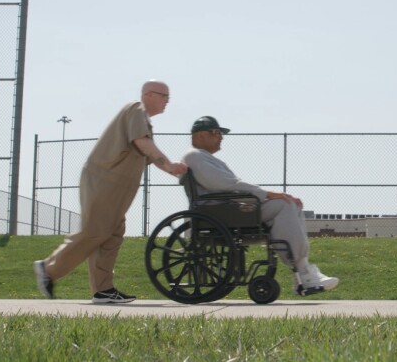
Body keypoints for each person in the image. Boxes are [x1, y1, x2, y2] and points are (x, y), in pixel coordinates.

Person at [34, 80, 188, 304]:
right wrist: (171, 165)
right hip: (105, 180)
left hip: (117, 186)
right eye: (164, 96)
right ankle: (49, 269)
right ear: (148, 94)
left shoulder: (143, 120)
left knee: (112, 234)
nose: (167, 101)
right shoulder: (136, 109)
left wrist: (172, 169)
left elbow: (149, 152)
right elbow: (142, 143)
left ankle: (103, 290)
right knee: (95, 231)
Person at [182, 115, 339, 295]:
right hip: (223, 212)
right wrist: (266, 194)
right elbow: (226, 184)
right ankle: (303, 272)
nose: (221, 137)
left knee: (291, 205)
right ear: (201, 135)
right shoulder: (195, 156)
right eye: (216, 132)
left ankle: (302, 271)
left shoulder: (204, 158)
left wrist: (265, 196)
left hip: (230, 208)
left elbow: (228, 185)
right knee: (285, 204)